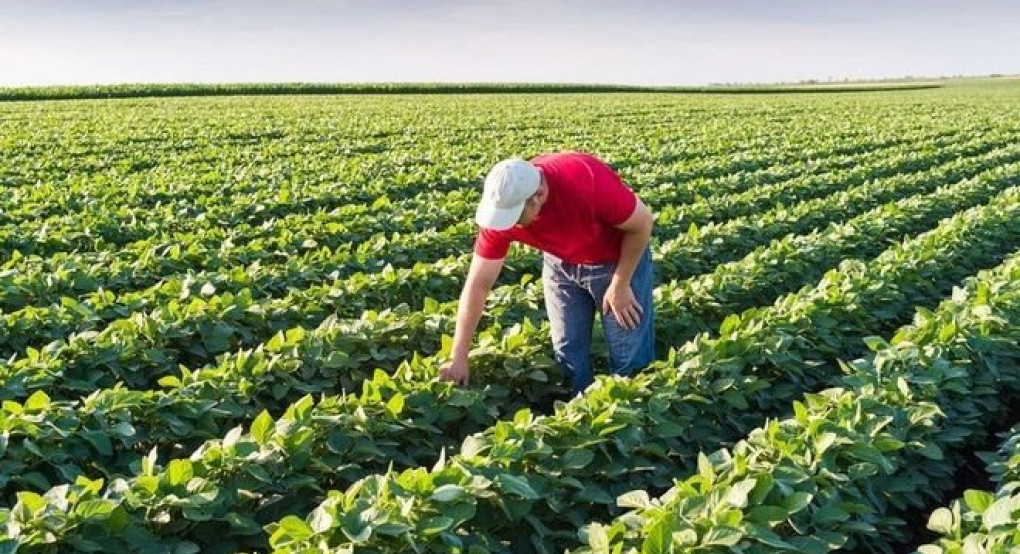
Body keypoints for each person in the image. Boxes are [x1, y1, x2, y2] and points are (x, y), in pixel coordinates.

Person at [438, 151, 655, 396]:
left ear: (539, 195)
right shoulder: (504, 208)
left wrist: (621, 284)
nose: (508, 226)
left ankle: (633, 418)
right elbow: (478, 283)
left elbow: (642, 224)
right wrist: (458, 356)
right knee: (567, 351)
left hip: (615, 259)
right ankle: (578, 416)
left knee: (629, 354)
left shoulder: (584, 180)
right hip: (560, 263)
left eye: (515, 218)